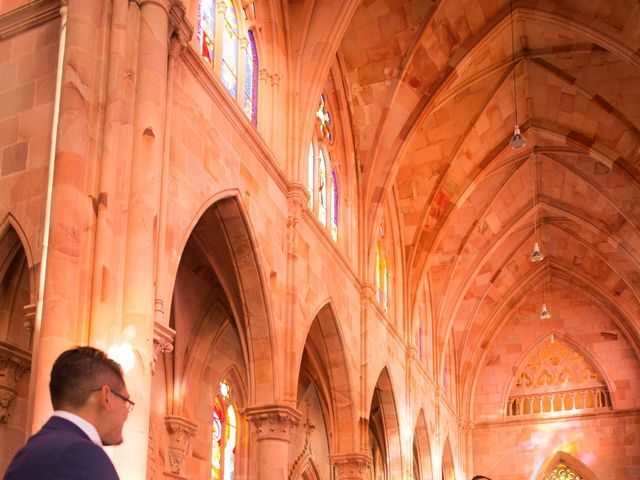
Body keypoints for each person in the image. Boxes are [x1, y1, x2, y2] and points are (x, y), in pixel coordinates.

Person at [4, 346, 133, 479]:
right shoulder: (83, 455)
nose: (126, 414)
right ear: (106, 397)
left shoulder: (29, 452)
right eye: (125, 401)